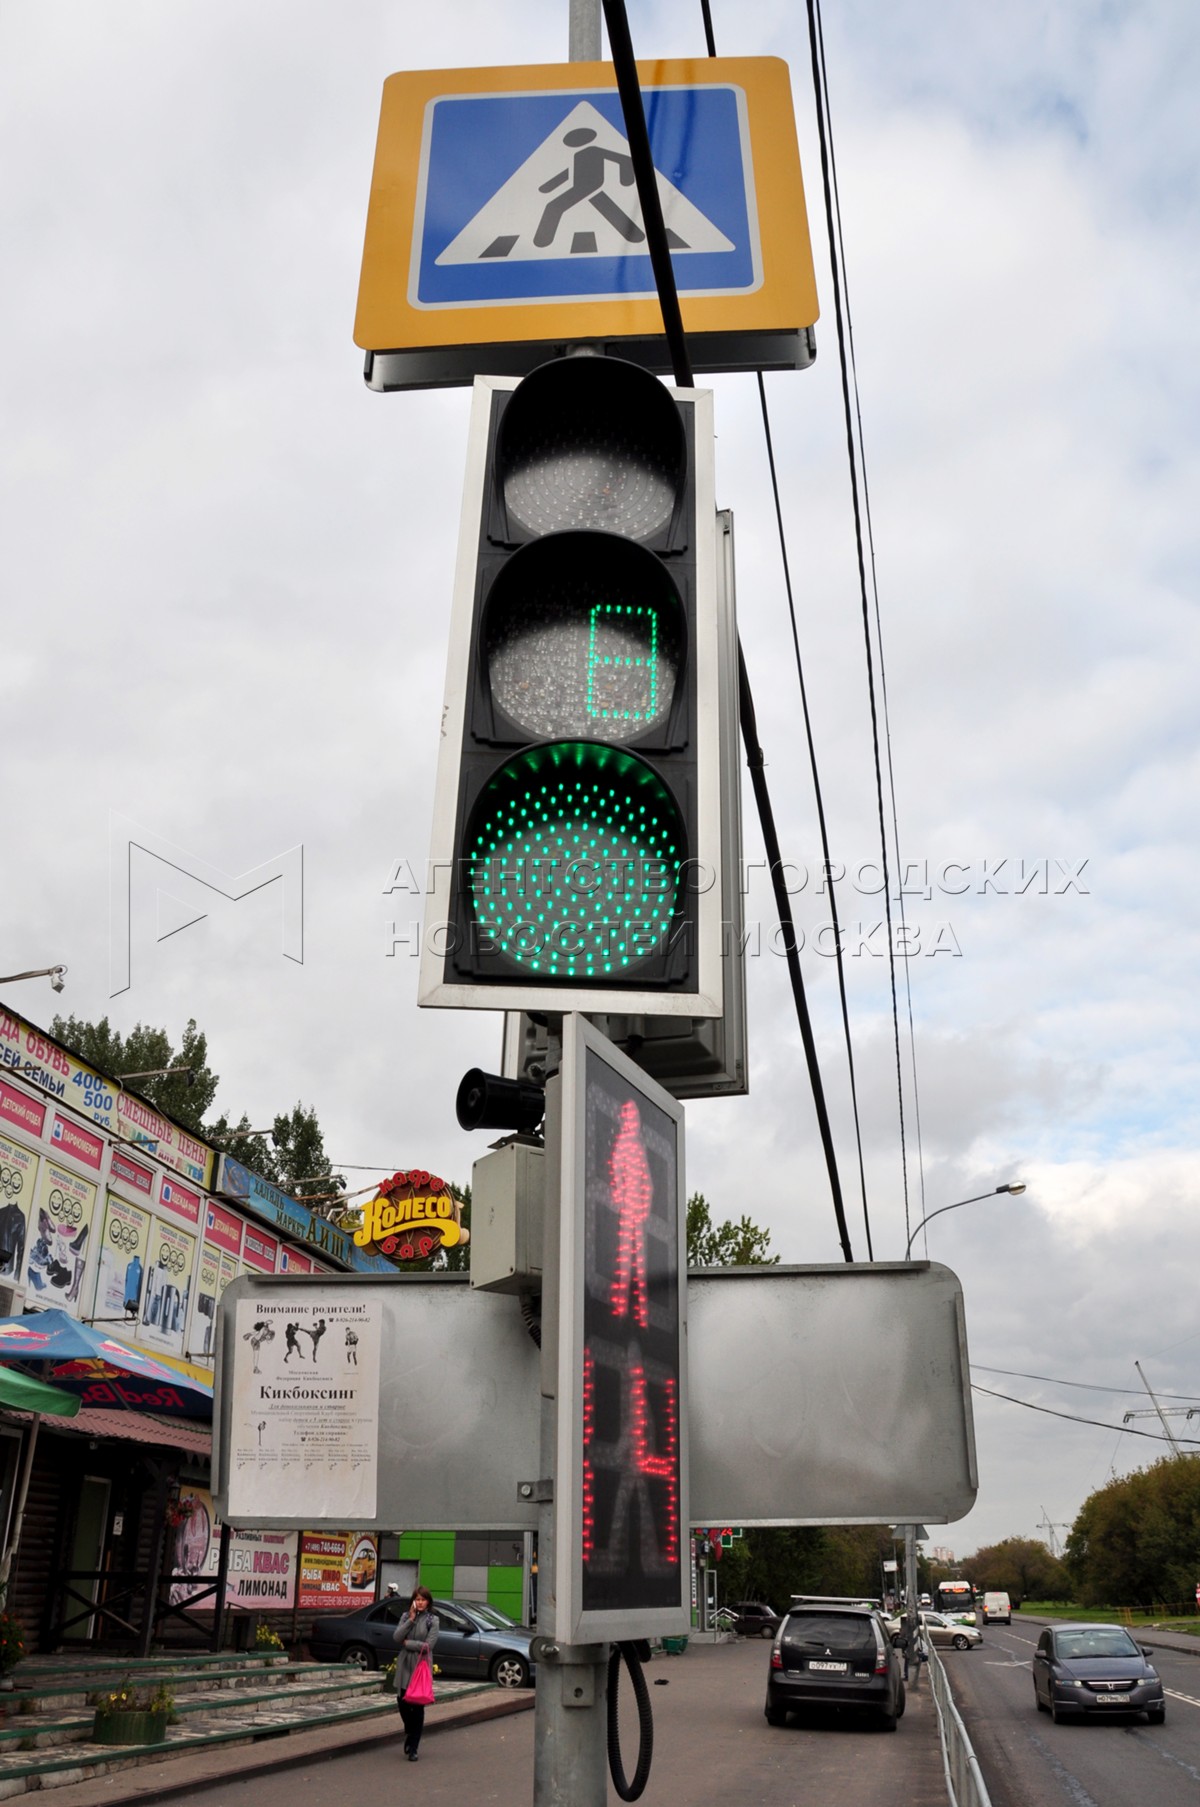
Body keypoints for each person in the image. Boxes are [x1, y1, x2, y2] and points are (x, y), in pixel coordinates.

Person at [393, 1586, 439, 1761]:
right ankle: (410, 1732)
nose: (420, 1602)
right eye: (417, 1599)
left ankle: (414, 1747)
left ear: (428, 1602)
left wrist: (408, 1644)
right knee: (402, 1700)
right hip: (405, 1663)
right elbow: (396, 1637)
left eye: (423, 1599)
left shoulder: (433, 1620)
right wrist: (410, 1621)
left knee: (417, 1705)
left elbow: (428, 1646)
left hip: (420, 1665)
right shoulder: (406, 1617)